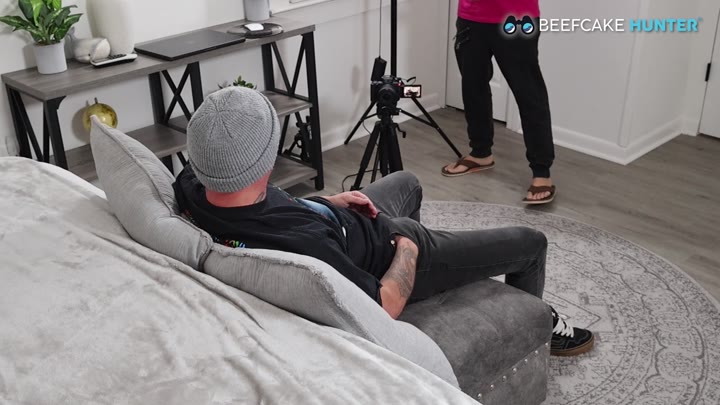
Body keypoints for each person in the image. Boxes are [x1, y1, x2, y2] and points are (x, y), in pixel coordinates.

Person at [173, 87, 594, 356]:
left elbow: (272, 206)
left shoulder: (193, 184)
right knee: (531, 243)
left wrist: (328, 202)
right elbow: (382, 304)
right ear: (266, 162)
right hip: (392, 252)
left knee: (407, 182)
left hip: (345, 220)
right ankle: (539, 328)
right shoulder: (306, 247)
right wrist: (408, 251)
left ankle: (438, 274)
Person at [442, 0, 557, 205]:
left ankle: (542, 172)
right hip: (471, 17)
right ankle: (480, 153)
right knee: (473, 88)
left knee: (529, 94)